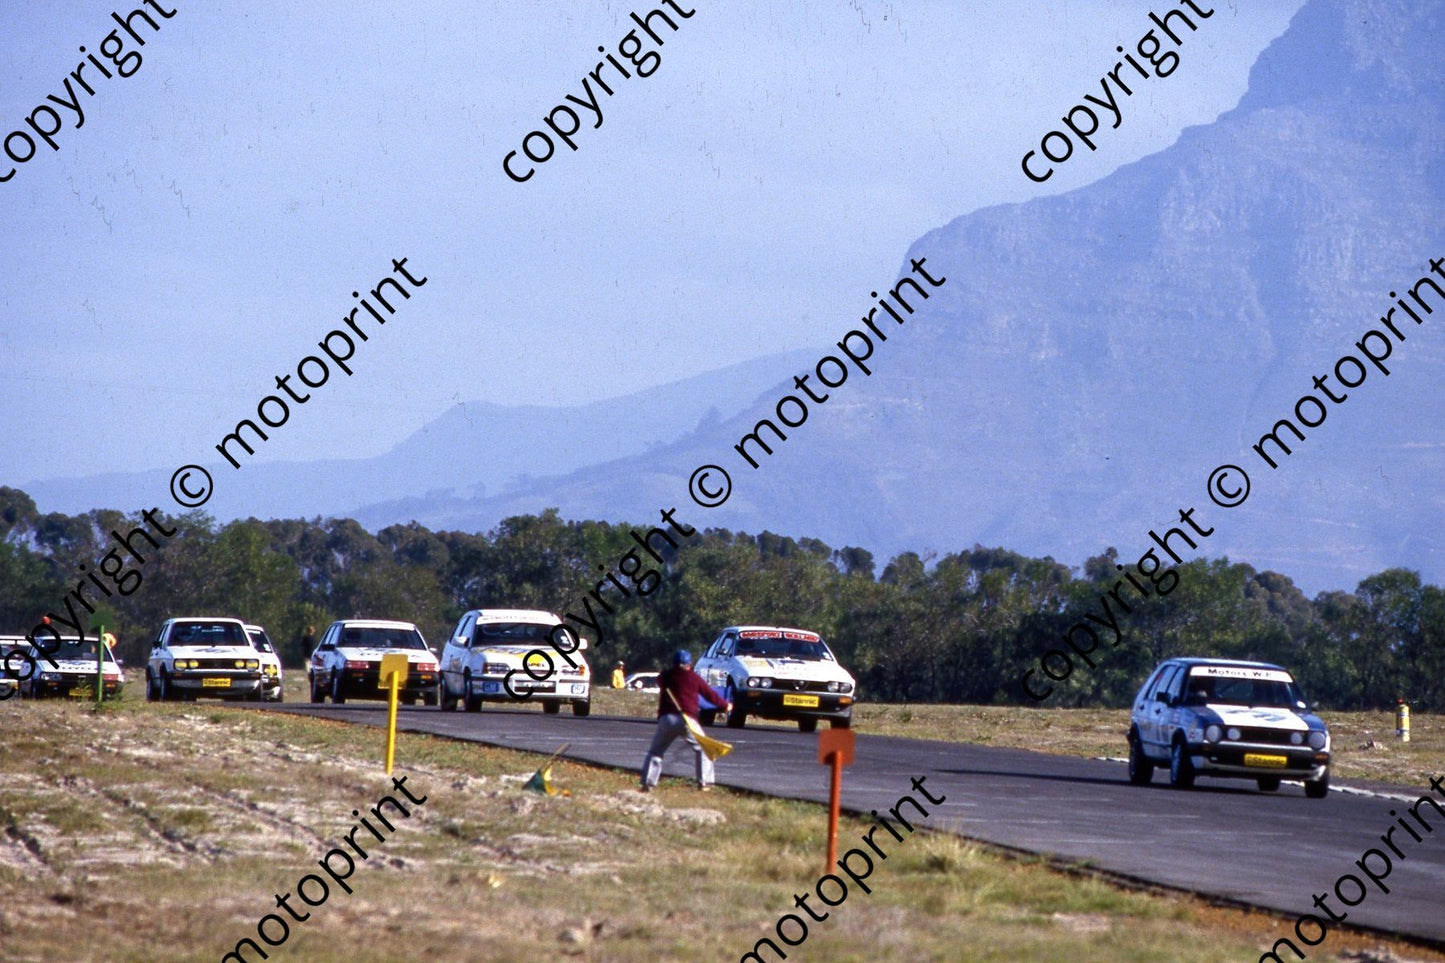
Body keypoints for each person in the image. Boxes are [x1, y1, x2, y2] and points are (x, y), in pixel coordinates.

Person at [640, 650, 731, 792]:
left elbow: (659, 679)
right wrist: (725, 705)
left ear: (674, 663)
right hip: (687, 719)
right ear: (689, 664)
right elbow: (710, 695)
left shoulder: (667, 676)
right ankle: (705, 783)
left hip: (667, 718)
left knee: (656, 751)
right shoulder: (694, 678)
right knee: (703, 749)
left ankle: (648, 784)